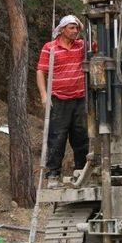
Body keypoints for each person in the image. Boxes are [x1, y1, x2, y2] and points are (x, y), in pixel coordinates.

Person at [36, 15, 88, 186]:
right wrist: (44, 95)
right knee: (57, 137)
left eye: (76, 28)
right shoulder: (50, 48)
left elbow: (98, 45)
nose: (75, 31)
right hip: (58, 99)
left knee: (80, 136)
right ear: (63, 29)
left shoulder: (81, 46)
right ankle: (53, 174)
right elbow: (41, 72)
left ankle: (81, 169)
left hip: (79, 99)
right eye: (71, 28)